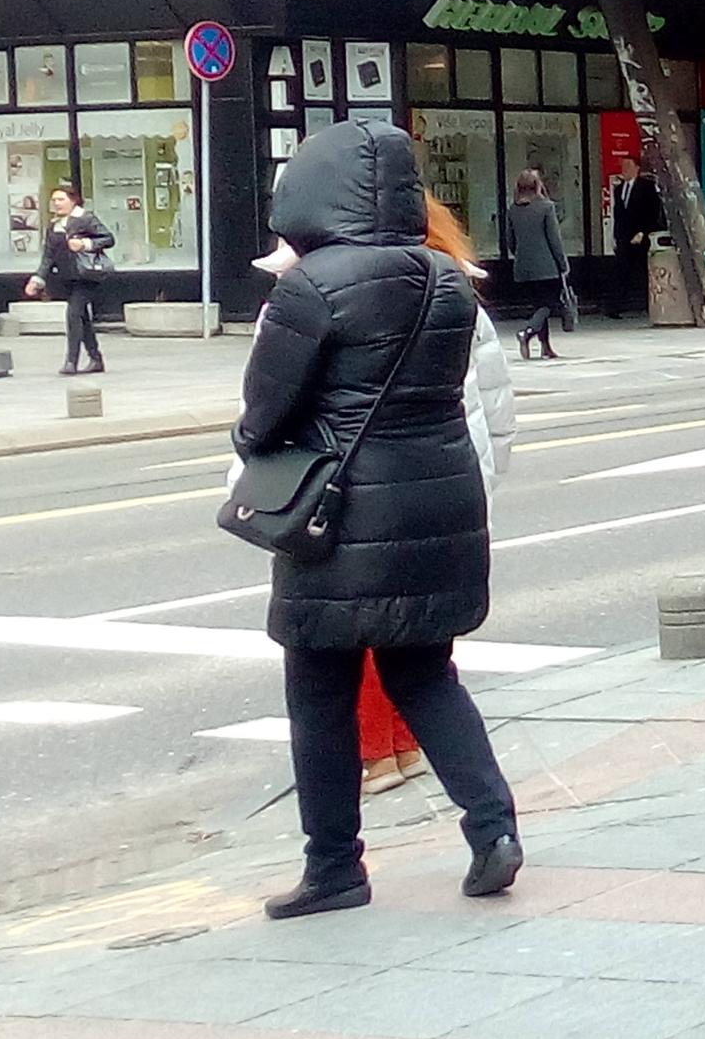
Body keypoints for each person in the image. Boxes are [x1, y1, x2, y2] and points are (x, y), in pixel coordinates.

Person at [234, 120, 523, 917]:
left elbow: (264, 413)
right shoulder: (447, 280)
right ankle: (493, 827)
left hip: (340, 518)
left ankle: (334, 867)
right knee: (426, 674)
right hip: (439, 499)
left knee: (319, 687)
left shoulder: (311, 285)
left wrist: (251, 442)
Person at [26, 178, 115, 376]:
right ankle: (96, 358)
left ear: (73, 200)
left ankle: (71, 361)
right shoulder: (54, 225)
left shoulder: (85, 218)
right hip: (67, 277)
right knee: (82, 317)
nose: (56, 203)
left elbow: (108, 238)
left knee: (73, 314)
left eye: (60, 199)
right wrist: (37, 279)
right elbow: (48, 256)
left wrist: (85, 244)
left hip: (87, 275)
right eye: (54, 200)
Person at [502, 167, 569, 360]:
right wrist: (562, 264)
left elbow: (510, 241)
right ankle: (527, 332)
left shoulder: (513, 210)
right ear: (537, 185)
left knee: (538, 306)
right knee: (549, 304)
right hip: (546, 266)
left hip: (523, 267)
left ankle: (546, 347)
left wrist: (522, 255)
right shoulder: (546, 207)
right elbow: (554, 239)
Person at [610, 167, 662, 318]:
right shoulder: (619, 189)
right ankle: (615, 307)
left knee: (644, 272)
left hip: (640, 236)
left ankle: (649, 305)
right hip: (624, 237)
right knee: (621, 272)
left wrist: (643, 232)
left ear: (636, 169)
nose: (624, 170)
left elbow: (652, 211)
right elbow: (618, 214)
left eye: (628, 166)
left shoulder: (647, 187)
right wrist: (615, 236)